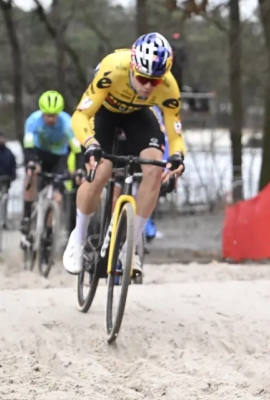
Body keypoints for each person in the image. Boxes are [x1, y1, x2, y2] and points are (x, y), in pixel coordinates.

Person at [63, 32, 186, 276]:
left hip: (139, 115)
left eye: (156, 81)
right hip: (105, 112)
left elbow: (175, 132)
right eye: (143, 78)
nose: (148, 86)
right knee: (102, 171)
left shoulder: (169, 87)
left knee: (154, 168)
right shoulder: (113, 69)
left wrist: (178, 157)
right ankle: (77, 238)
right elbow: (81, 115)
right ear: (132, 67)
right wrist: (90, 143)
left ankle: (130, 248)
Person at [21, 91, 82, 243]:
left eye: (54, 115)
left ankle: (48, 231)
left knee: (57, 196)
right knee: (32, 173)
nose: (50, 118)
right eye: (47, 115)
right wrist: (31, 162)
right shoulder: (33, 121)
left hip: (58, 158)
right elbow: (28, 146)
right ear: (42, 113)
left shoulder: (67, 123)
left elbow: (78, 149)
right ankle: (27, 215)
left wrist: (80, 168)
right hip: (38, 153)